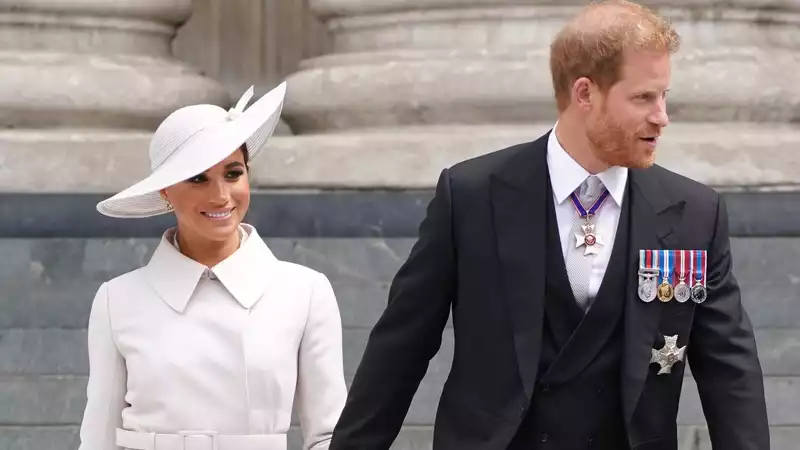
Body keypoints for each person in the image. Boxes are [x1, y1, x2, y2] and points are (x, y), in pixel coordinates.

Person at [329, 1, 769, 450]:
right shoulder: (472, 196)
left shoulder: (695, 212)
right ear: (585, 94)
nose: (662, 116)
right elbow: (400, 348)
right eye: (643, 97)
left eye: (664, 96)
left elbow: (729, 370)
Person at [78, 83, 347, 450]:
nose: (221, 195)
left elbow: (329, 435)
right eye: (198, 178)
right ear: (165, 192)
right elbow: (98, 439)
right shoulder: (117, 299)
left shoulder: (305, 292)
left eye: (233, 173)